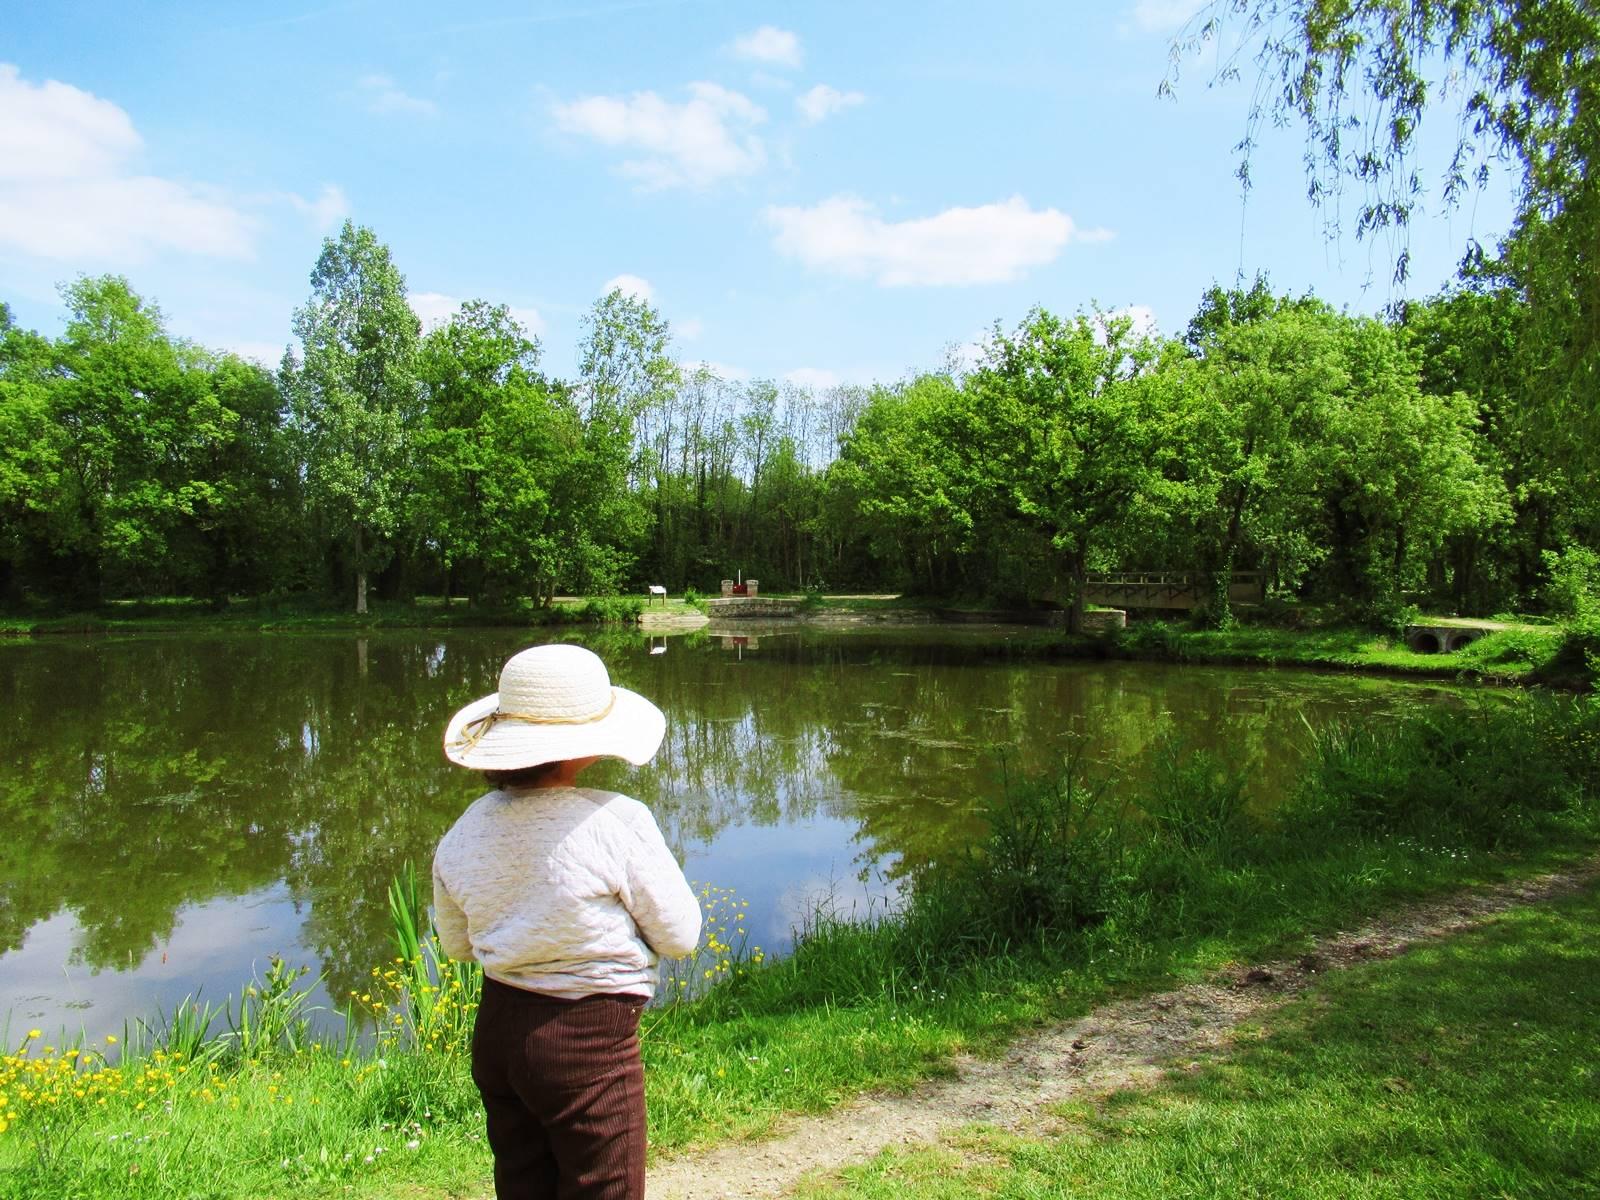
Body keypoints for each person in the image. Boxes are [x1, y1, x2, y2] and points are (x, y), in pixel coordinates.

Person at [433, 642, 701, 1200]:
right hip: (588, 1038)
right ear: (586, 746)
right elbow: (680, 936)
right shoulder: (616, 820)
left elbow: (457, 945)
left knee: (523, 1183)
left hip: (498, 1028)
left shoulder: (464, 829)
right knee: (603, 1188)